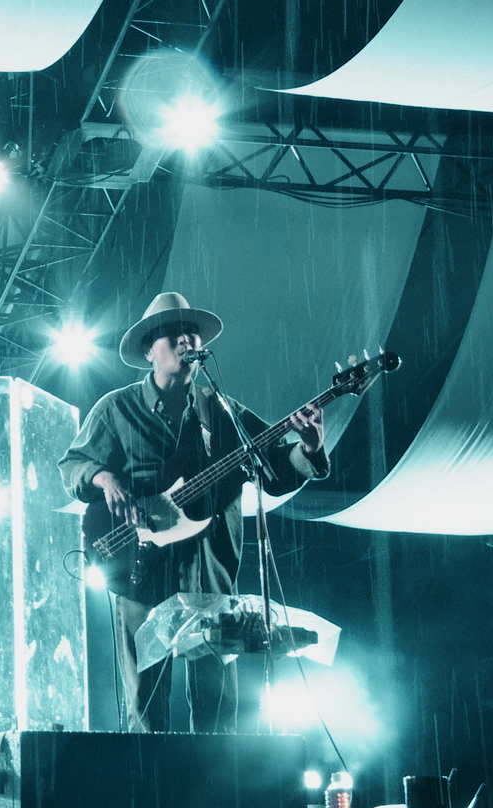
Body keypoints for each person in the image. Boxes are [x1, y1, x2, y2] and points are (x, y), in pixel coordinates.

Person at [58, 292, 327, 734]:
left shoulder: (224, 412)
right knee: (146, 713)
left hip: (210, 579)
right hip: (140, 577)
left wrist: (310, 448)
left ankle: (215, 781)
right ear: (149, 350)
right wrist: (105, 479)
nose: (186, 339)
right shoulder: (116, 409)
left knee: (219, 715)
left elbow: (276, 471)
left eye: (192, 332)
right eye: (172, 332)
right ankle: (150, 781)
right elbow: (73, 466)